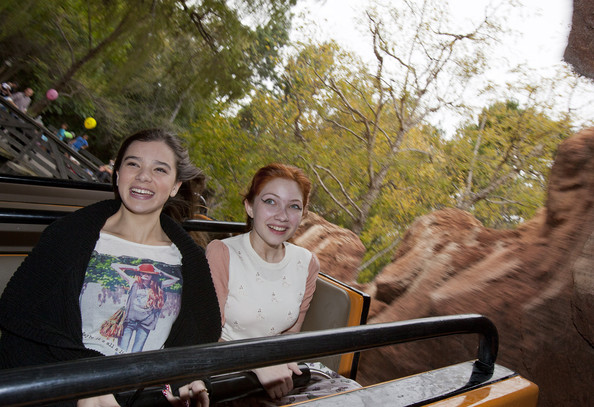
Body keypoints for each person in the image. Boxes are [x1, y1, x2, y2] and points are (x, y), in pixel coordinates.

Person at [0, 128, 221, 407]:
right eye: (133, 164)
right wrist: (88, 377)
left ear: (176, 185)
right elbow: (20, 314)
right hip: (65, 392)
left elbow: (199, 339)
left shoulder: (190, 260)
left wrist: (194, 377)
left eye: (160, 169)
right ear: (117, 174)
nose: (143, 176)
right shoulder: (70, 235)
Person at [206, 163, 360, 406]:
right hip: (226, 371)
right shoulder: (222, 253)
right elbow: (206, 336)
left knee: (355, 397)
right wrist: (257, 362)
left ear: (303, 215)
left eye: (294, 206)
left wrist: (280, 363)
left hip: (277, 367)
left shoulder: (306, 262)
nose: (282, 215)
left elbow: (291, 334)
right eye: (270, 201)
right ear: (249, 206)